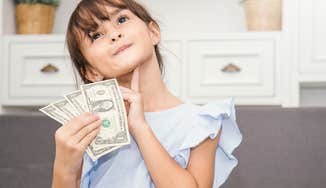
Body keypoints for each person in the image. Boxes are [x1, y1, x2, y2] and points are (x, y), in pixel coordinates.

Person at [52, 0, 242, 187]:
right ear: (90, 71)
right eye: (95, 35)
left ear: (153, 32)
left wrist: (140, 128)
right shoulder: (87, 130)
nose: (114, 34)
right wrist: (64, 167)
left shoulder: (202, 123)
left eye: (121, 20)